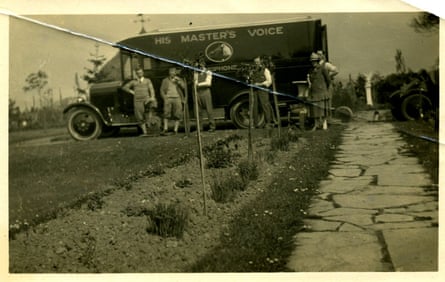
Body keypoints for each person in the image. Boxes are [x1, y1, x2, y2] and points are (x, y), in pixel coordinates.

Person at [122, 67, 157, 136]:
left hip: (146, 100)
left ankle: (150, 130)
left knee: (148, 115)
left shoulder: (147, 80)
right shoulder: (133, 81)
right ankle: (145, 133)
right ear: (136, 74)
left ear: (143, 73)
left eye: (140, 72)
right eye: (138, 73)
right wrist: (132, 92)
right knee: (139, 116)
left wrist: (152, 97)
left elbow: (151, 89)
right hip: (137, 101)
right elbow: (124, 87)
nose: (139, 74)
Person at [307, 52, 331, 130]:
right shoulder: (310, 70)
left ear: (317, 61)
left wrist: (324, 88)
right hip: (314, 92)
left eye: (315, 61)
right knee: (315, 109)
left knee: (322, 108)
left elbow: (328, 80)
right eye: (312, 61)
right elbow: (311, 80)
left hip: (321, 91)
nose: (313, 63)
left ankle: (324, 123)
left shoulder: (322, 69)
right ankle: (316, 124)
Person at [160, 67, 186, 135]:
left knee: (178, 113)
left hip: (177, 98)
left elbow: (184, 87)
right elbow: (162, 90)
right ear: (169, 72)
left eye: (173, 71)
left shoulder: (179, 79)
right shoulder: (165, 80)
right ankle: (165, 129)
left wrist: (179, 82)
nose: (172, 73)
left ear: (175, 72)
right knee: (166, 113)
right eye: (171, 71)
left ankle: (175, 130)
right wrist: (164, 98)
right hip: (168, 98)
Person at [251, 56, 274, 128]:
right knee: (254, 106)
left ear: (261, 62)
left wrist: (260, 84)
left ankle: (268, 123)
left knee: (265, 105)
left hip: (263, 90)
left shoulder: (265, 70)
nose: (256, 64)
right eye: (255, 62)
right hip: (255, 90)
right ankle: (255, 124)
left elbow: (269, 81)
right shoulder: (253, 71)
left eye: (258, 62)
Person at [194, 60, 216, 132]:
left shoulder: (208, 72)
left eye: (201, 65)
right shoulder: (196, 73)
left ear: (204, 65)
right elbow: (195, 82)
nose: (200, 66)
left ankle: (212, 127)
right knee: (198, 111)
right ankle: (200, 128)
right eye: (199, 65)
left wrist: (198, 84)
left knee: (209, 110)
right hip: (198, 92)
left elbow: (208, 83)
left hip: (205, 92)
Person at [317, 50, 339, 121]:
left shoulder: (326, 64)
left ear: (323, 55)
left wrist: (329, 76)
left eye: (320, 54)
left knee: (328, 102)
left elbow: (336, 70)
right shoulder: (317, 64)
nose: (319, 56)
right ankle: (322, 119)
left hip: (327, 85)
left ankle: (329, 119)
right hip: (320, 86)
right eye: (317, 54)